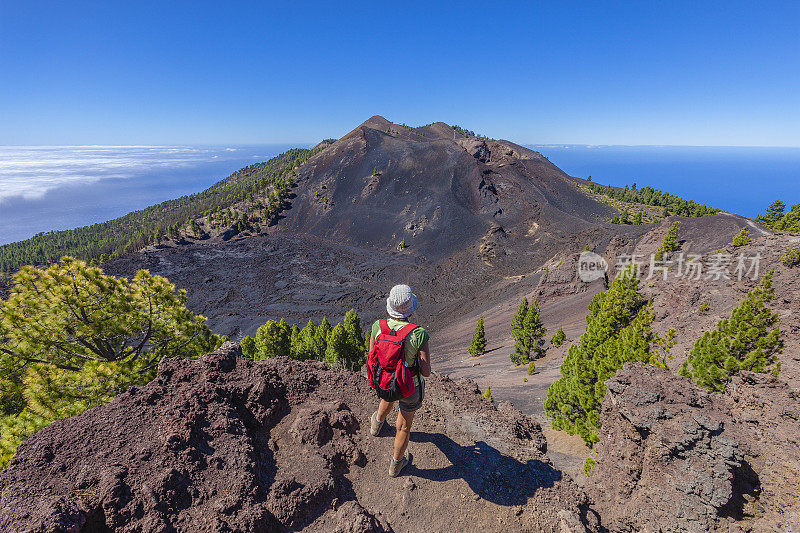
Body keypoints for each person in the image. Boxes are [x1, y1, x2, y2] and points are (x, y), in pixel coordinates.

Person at [368, 284, 431, 477]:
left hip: (385, 380)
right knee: (403, 426)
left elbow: (372, 355)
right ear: (411, 307)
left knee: (389, 394)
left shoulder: (378, 326)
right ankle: (396, 465)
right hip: (409, 386)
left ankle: (376, 426)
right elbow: (426, 371)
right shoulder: (418, 334)